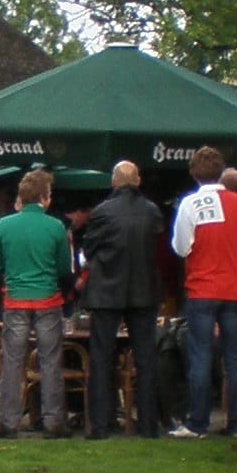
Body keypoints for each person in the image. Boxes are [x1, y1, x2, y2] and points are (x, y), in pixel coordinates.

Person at [75, 157, 167, 439]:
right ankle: (148, 424)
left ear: (114, 182)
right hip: (144, 291)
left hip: (106, 292)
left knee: (101, 358)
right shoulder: (152, 212)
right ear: (137, 181)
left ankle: (101, 425)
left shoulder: (102, 212)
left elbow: (88, 250)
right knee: (146, 358)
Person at [169, 147, 237, 439]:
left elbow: (181, 247)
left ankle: (198, 422)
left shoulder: (190, 204)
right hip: (233, 288)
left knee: (201, 356)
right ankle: (235, 424)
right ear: (222, 171)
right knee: (234, 358)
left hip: (202, 288)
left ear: (193, 172)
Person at [0, 169, 74, 437]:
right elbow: (64, 267)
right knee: (50, 361)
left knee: (13, 361)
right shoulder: (56, 226)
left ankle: (8, 421)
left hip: (15, 299)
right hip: (48, 298)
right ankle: (53, 421)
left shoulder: (4, 225)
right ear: (44, 197)